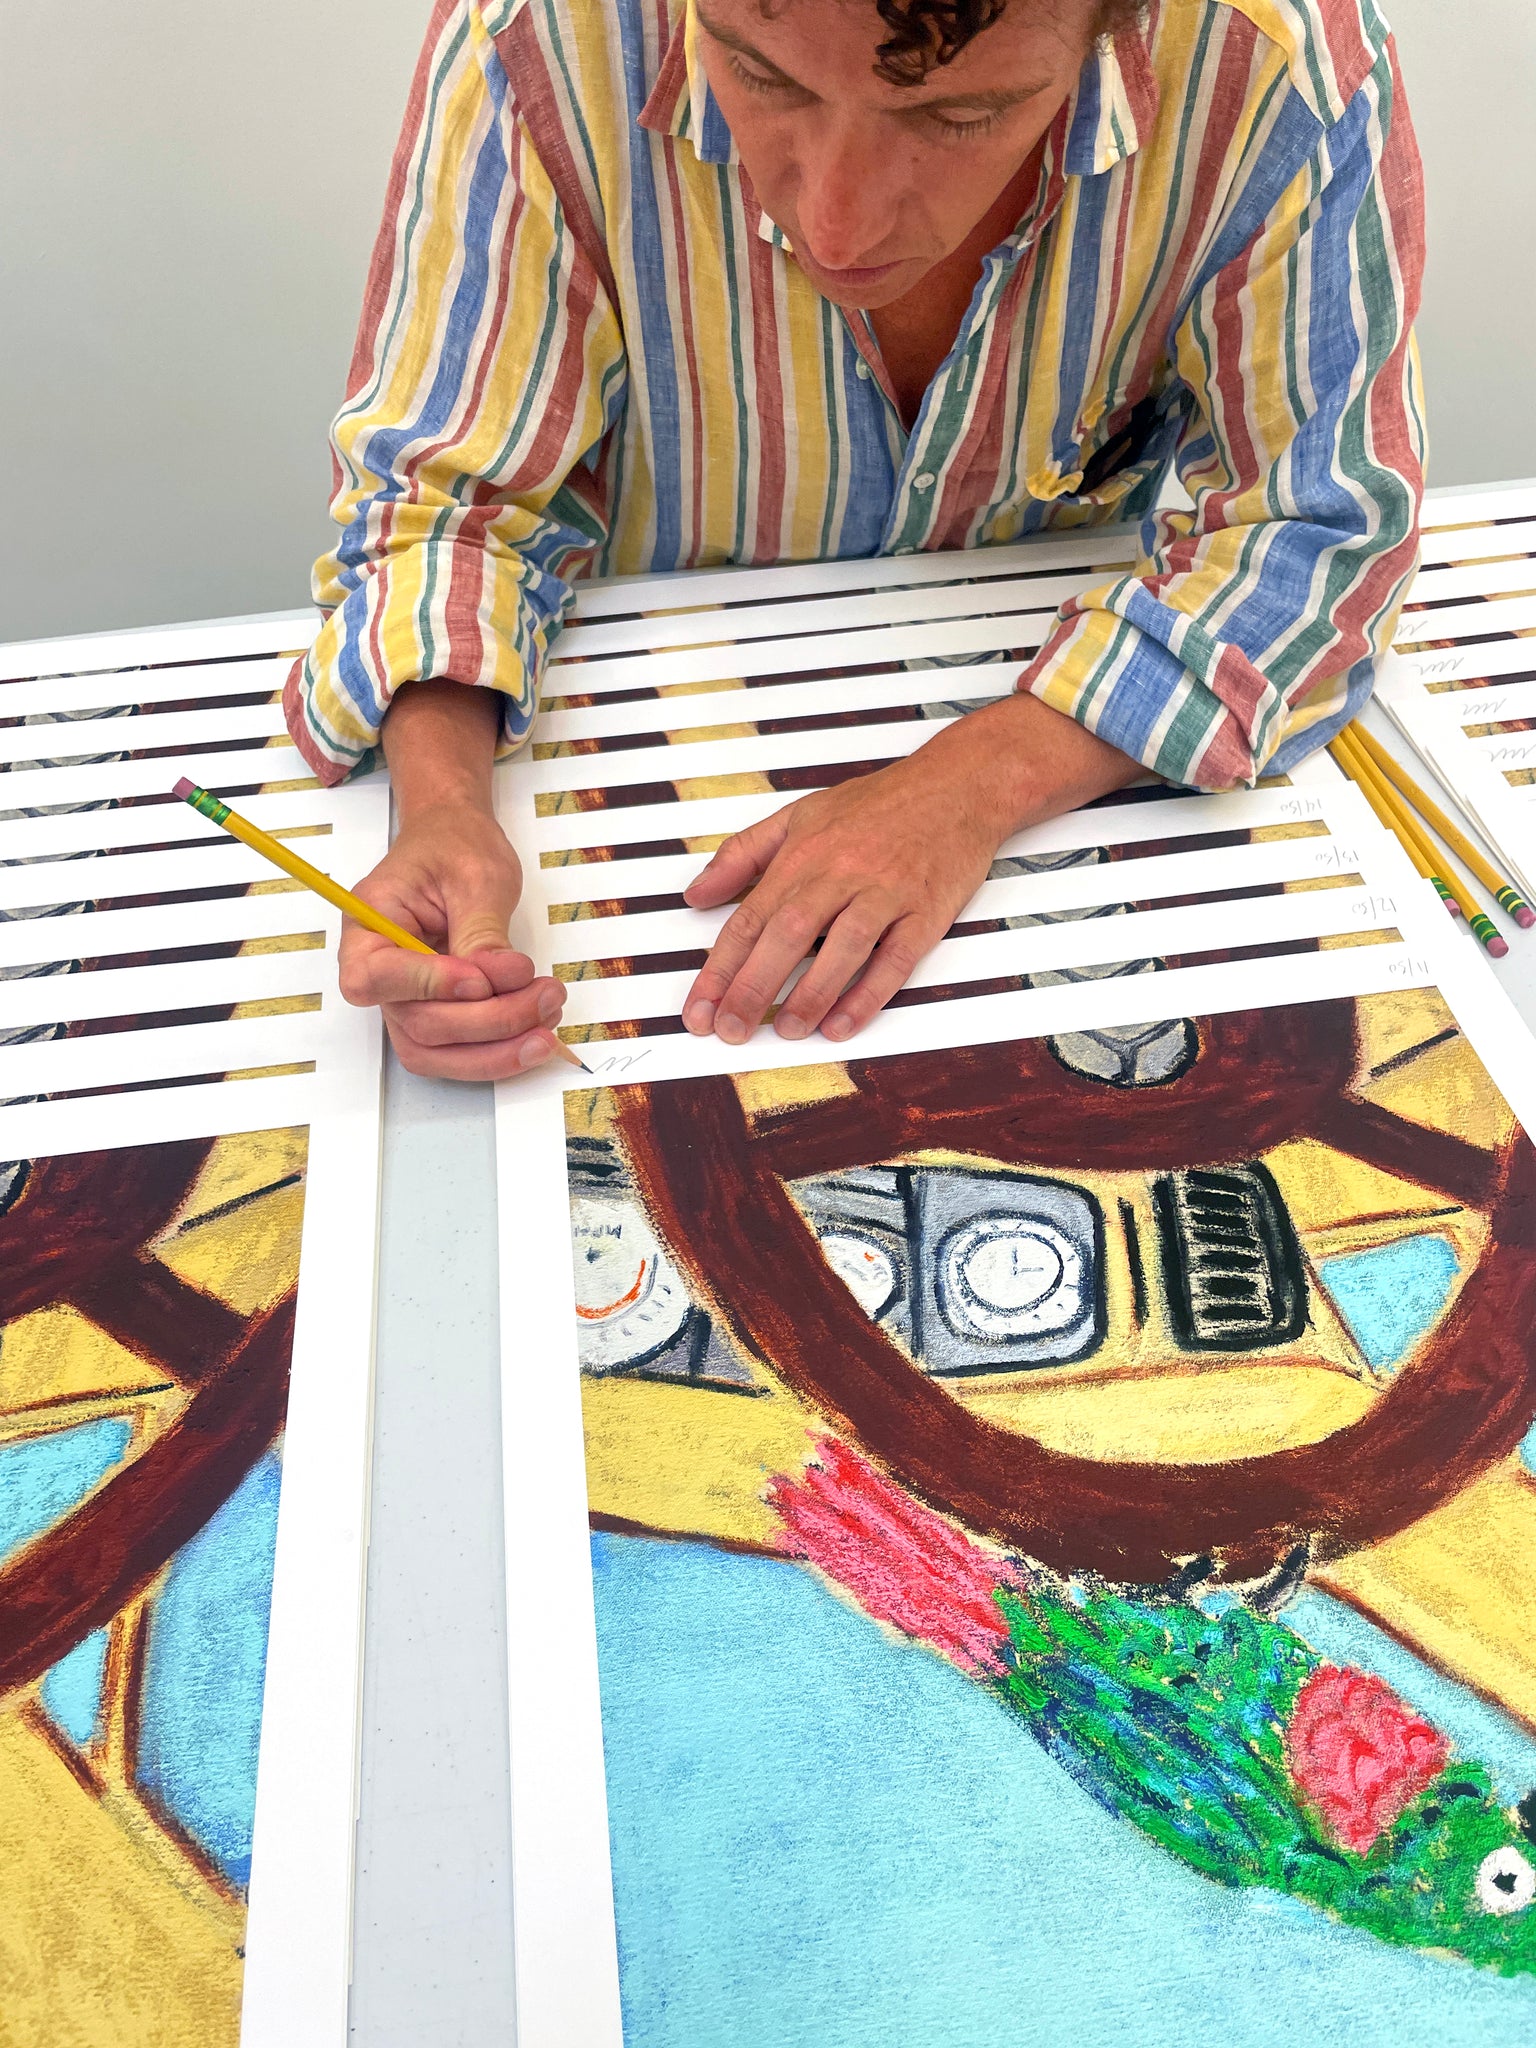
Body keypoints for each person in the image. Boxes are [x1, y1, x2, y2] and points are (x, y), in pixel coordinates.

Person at [286, 0, 1425, 1081]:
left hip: (1047, 762)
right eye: (759, 74)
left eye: (960, 117)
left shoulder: (1273, 61)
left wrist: (973, 786)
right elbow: (444, 502)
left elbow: (1322, 528)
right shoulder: (546, 35)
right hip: (632, 737)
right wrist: (443, 802)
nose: (833, 221)